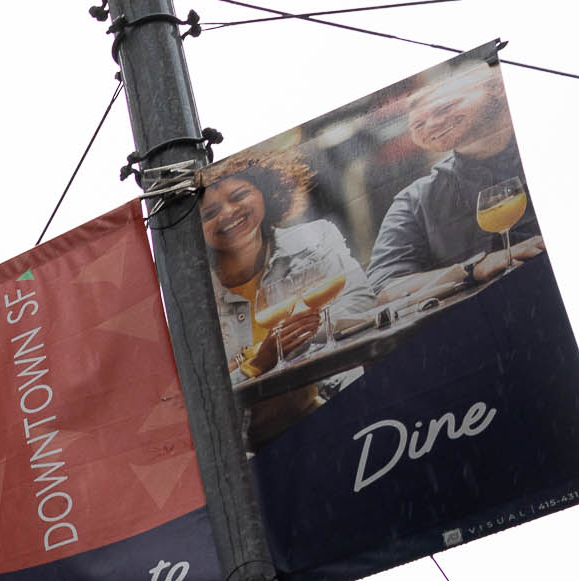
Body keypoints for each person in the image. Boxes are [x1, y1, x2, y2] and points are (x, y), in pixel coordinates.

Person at [366, 62, 542, 298]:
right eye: (418, 124)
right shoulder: (414, 201)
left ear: (499, 88)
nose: (431, 125)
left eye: (444, 108)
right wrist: (473, 270)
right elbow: (384, 285)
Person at [197, 150, 372, 384]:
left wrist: (255, 355)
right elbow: (205, 392)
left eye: (239, 196)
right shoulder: (195, 301)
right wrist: (258, 363)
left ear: (266, 194)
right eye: (210, 213)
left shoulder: (316, 236)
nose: (228, 213)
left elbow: (360, 303)